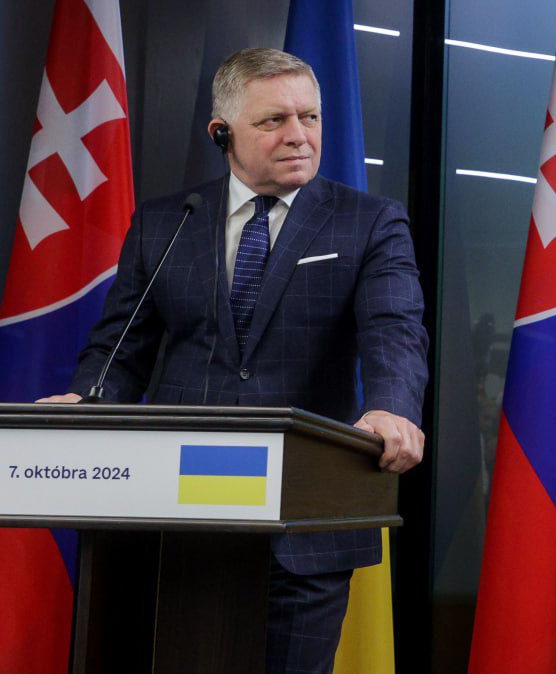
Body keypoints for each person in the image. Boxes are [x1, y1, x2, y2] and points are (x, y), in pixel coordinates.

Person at [39, 47, 430, 674]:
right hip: (172, 522)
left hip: (302, 524)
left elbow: (395, 330)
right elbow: (121, 346)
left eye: (310, 117)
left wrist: (391, 407)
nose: (299, 136)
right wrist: (86, 403)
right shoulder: (167, 222)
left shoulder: (369, 223)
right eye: (274, 121)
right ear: (221, 133)